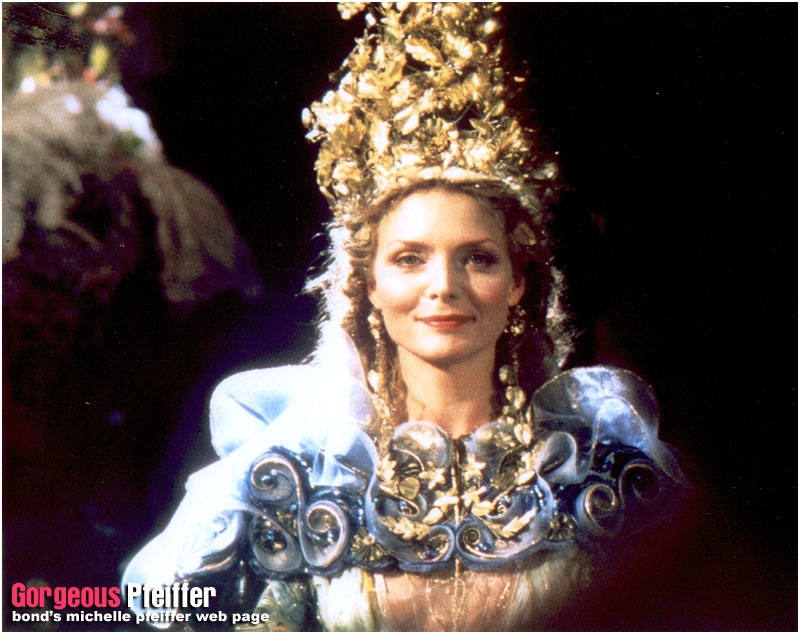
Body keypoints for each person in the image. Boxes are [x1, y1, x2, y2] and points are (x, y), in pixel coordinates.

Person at [122, 4, 689, 630]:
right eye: (410, 259)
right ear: (369, 285)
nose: (443, 287)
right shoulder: (298, 478)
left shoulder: (593, 474)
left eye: (477, 259)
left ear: (518, 282)